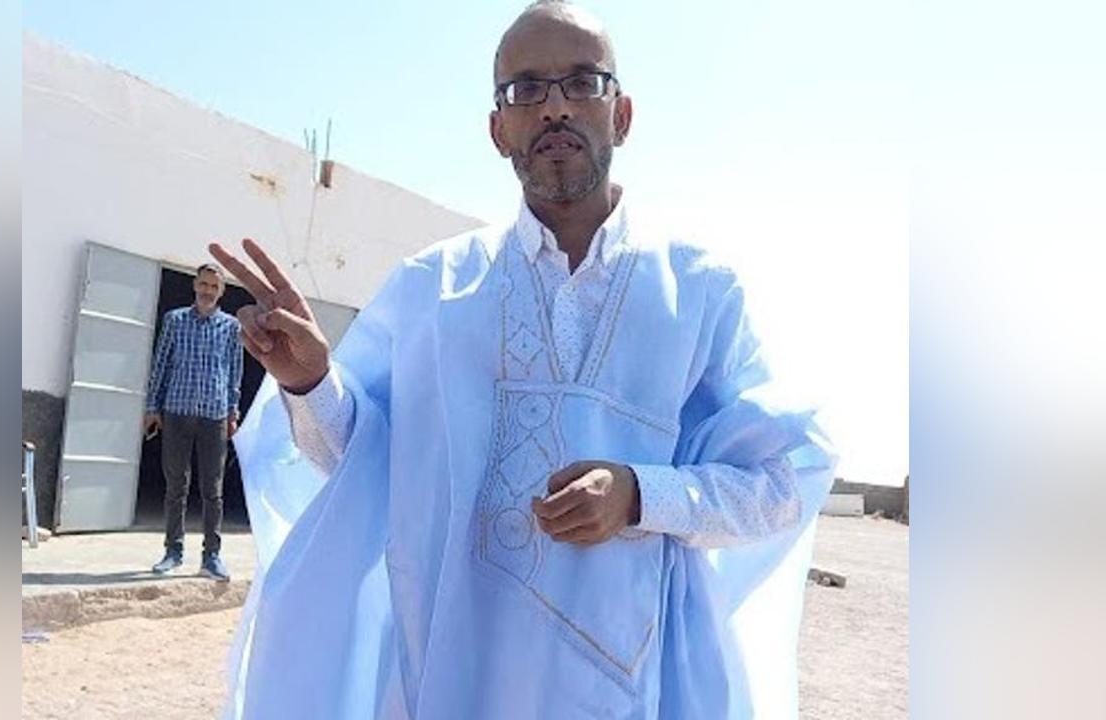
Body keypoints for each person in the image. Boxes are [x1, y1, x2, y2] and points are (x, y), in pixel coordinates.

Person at [213, 2, 834, 717]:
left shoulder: (698, 292)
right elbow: (364, 462)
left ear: (622, 115)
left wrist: (642, 495)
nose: (554, 107)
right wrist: (310, 381)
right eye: (526, 88)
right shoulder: (431, 289)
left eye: (582, 82)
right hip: (456, 677)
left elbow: (782, 482)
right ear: (498, 129)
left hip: (633, 688)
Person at [143, 263, 243, 582]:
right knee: (176, 485)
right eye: (203, 284)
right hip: (177, 411)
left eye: (214, 286)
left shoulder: (231, 327)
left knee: (213, 488)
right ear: (195, 285)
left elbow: (234, 372)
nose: (207, 291)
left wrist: (232, 412)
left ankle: (211, 556)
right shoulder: (175, 320)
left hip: (214, 415)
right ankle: (173, 551)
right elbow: (161, 364)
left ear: (221, 291)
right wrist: (152, 407)